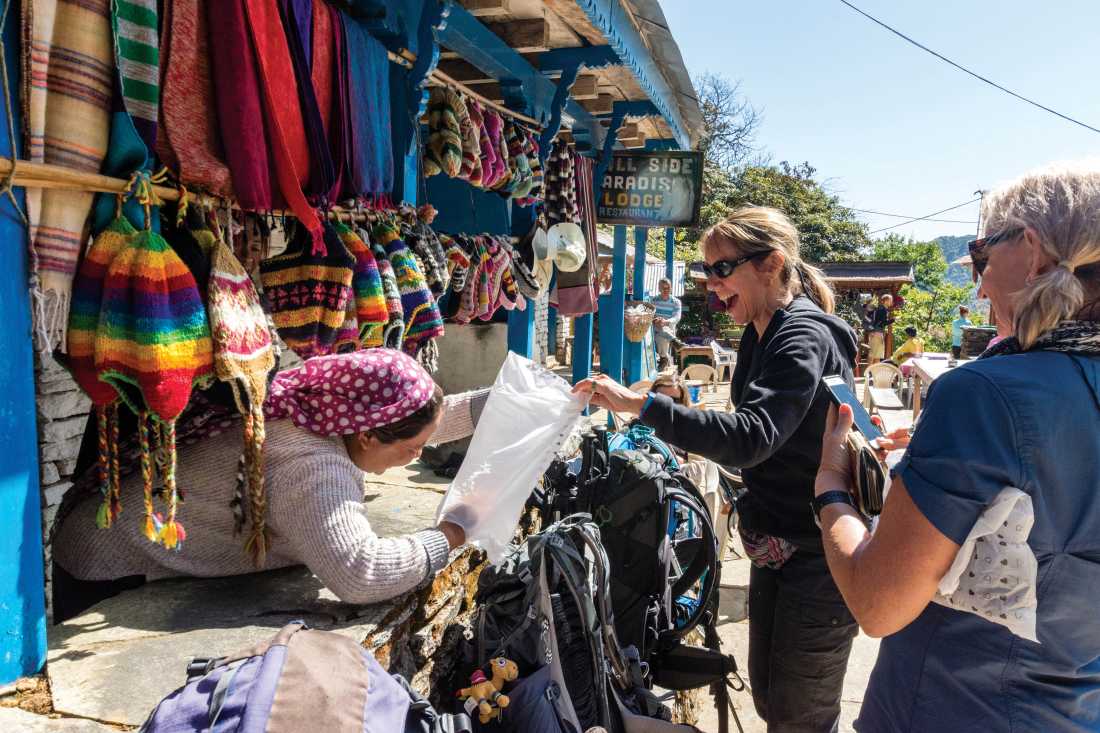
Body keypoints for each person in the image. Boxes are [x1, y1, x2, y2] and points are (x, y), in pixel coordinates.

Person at [813, 160, 1100, 732]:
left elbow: (878, 603)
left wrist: (831, 487)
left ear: (1031, 252)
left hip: (950, 707)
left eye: (981, 256)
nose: (979, 284)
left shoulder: (983, 393)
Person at [575, 206, 860, 732]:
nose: (712, 284)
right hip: (777, 543)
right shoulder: (760, 332)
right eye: (707, 271)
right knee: (771, 699)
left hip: (817, 556)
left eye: (723, 269)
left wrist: (642, 406)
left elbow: (751, 437)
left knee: (801, 717)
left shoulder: (803, 336)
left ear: (771, 264)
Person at [53, 349, 485, 620]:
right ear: (368, 435)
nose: (417, 457)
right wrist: (450, 535)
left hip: (108, 525)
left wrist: (500, 404)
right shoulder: (313, 468)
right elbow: (360, 573)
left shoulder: (323, 405)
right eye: (412, 450)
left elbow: (423, 422)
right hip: (113, 562)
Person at [649, 278, 683, 370]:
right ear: (659, 288)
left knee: (661, 335)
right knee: (659, 331)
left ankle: (664, 358)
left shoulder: (676, 302)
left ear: (671, 288)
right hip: (655, 327)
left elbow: (676, 317)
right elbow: (650, 315)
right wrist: (656, 320)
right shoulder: (653, 300)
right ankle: (674, 341)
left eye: (668, 288)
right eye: (663, 288)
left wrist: (665, 322)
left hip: (668, 328)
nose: (666, 290)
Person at [865, 293, 894, 364]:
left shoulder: (880, 309)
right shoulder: (882, 310)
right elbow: (882, 323)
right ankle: (868, 370)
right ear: (886, 301)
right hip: (877, 333)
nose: (891, 302)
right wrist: (893, 320)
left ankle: (874, 370)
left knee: (877, 355)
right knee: (873, 354)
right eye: (890, 300)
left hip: (876, 333)